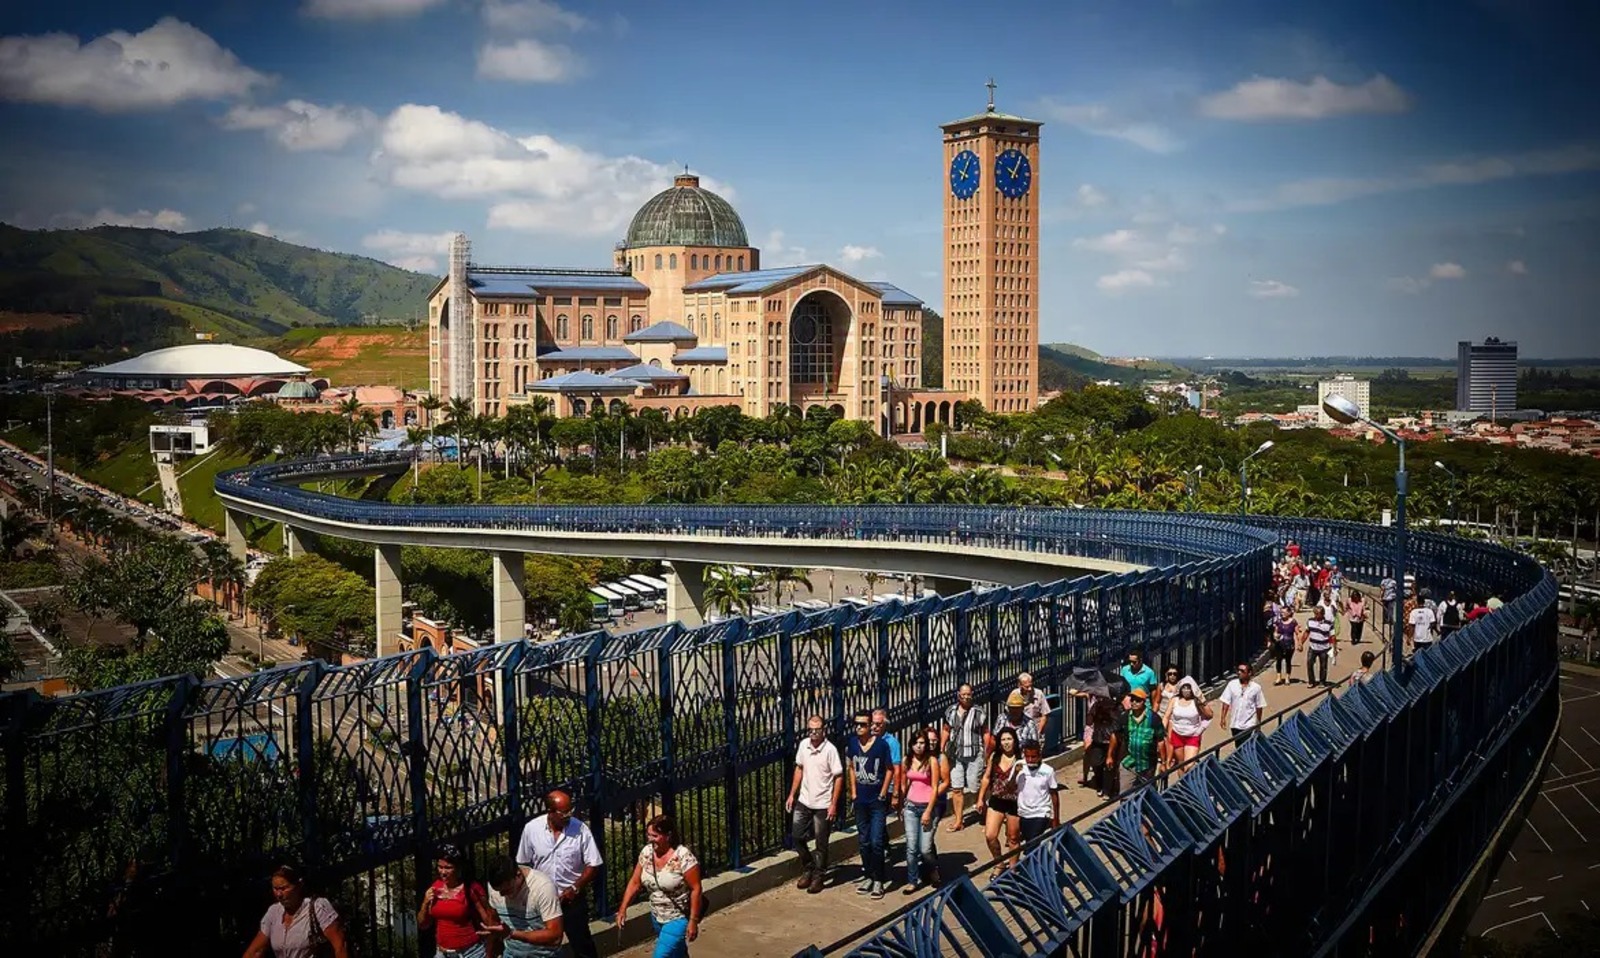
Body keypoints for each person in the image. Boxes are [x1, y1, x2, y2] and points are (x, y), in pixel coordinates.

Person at [516, 791, 604, 958]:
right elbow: (523, 863)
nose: (568, 816)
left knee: (582, 945)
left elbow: (593, 864)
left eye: (570, 810)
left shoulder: (580, 829)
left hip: (571, 899)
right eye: (563, 812)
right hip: (542, 901)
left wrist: (575, 888)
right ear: (550, 811)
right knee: (544, 947)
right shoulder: (532, 829)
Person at [615, 814, 703, 958]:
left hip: (677, 917)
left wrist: (693, 920)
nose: (650, 839)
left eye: (655, 836)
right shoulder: (647, 852)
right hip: (657, 916)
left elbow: (696, 889)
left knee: (661, 955)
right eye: (648, 835)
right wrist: (623, 909)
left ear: (667, 836)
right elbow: (635, 882)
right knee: (677, 954)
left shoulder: (683, 857)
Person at [785, 714, 842, 894]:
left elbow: (838, 776)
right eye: (811, 729)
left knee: (821, 842)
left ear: (823, 730)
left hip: (823, 802)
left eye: (817, 729)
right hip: (804, 799)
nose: (814, 733)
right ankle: (808, 866)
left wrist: (833, 803)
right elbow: (799, 768)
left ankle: (819, 875)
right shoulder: (804, 745)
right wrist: (792, 794)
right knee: (797, 836)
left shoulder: (830, 750)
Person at [243, 865, 349, 958]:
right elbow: (256, 951)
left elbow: (340, 946)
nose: (279, 894)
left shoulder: (318, 907)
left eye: (284, 888)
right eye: (275, 889)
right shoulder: (273, 912)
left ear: (298, 886)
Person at [846, 710, 896, 899]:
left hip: (877, 800)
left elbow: (890, 769)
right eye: (857, 724)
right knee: (863, 841)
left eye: (863, 724)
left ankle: (879, 879)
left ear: (870, 727)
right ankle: (868, 874)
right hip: (861, 800)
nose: (859, 728)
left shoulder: (881, 746)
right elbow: (851, 766)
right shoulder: (852, 744)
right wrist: (854, 791)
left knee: (876, 841)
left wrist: (884, 792)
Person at [418, 845, 496, 958]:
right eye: (440, 867)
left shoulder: (471, 889)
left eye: (448, 868)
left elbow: (489, 921)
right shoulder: (435, 888)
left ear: (459, 868)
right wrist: (425, 903)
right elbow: (423, 924)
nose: (443, 872)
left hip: (470, 952)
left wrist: (489, 953)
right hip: (442, 952)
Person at [482, 857, 565, 958]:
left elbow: (555, 937)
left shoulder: (542, 887)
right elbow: (494, 921)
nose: (502, 895)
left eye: (507, 890)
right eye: (498, 891)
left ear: (518, 875)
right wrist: (489, 954)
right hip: (511, 953)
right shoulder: (495, 887)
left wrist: (512, 934)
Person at [900, 727, 948, 893]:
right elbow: (904, 784)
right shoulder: (907, 760)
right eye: (916, 743)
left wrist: (928, 810)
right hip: (911, 807)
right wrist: (901, 804)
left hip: (927, 807)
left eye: (922, 743)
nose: (919, 746)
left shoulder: (932, 761)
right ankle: (912, 880)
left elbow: (935, 786)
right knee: (911, 847)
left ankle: (933, 869)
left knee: (925, 848)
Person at [940, 683, 992, 832]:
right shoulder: (951, 711)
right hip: (956, 755)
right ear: (958, 695)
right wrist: (941, 748)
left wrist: (986, 752)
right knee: (957, 788)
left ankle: (985, 813)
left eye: (969, 694)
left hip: (974, 754)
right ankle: (958, 821)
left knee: (975, 787)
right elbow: (945, 729)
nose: (966, 697)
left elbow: (986, 732)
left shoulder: (979, 712)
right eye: (963, 694)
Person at [976, 727, 1023, 878]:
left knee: (1013, 838)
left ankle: (1013, 868)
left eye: (1009, 739)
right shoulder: (995, 756)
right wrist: (980, 798)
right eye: (1003, 740)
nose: (1006, 743)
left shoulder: (1021, 758)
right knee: (990, 835)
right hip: (997, 800)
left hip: (1015, 802)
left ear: (1015, 740)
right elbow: (987, 777)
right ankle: (999, 863)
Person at [1012, 741, 1060, 846]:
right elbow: (1011, 788)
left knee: (1032, 844)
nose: (1030, 760)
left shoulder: (1048, 771)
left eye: (1033, 757)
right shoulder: (1019, 767)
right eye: (1027, 757)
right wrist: (1015, 773)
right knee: (1030, 843)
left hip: (1041, 813)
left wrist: (1055, 818)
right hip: (1023, 813)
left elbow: (1054, 794)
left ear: (1039, 755)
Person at [1119, 688, 1165, 794]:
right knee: (1125, 794)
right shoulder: (1125, 717)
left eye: (1138, 700)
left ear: (1144, 702)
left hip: (1147, 764)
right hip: (1129, 762)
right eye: (1132, 700)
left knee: (1147, 793)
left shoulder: (1154, 718)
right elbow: (1117, 737)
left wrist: (1163, 762)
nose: (1134, 703)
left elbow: (1161, 740)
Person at [1165, 677, 1211, 770]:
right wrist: (1162, 729)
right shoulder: (1174, 700)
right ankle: (1182, 783)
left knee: (1189, 765)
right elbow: (1166, 716)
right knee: (1181, 765)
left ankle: (1190, 782)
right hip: (1177, 734)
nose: (1186, 690)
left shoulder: (1196, 701)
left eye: (1188, 688)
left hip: (1193, 735)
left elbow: (1209, 715)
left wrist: (1202, 700)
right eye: (1184, 688)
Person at [1219, 662, 1267, 745]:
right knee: (1238, 746)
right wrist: (1223, 718)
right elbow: (1226, 702)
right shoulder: (1232, 685)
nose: (1239, 673)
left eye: (1242, 671)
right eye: (1238, 670)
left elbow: (1259, 706)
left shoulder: (1256, 688)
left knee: (1246, 746)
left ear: (1249, 673)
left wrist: (1258, 723)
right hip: (1235, 724)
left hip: (1248, 725)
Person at [1084, 695, 1119, 799]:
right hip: (1098, 739)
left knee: (1110, 765)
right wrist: (1091, 713)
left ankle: (1108, 789)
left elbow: (1118, 724)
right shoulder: (1096, 705)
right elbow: (1089, 722)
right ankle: (1099, 786)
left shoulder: (1117, 707)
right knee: (1096, 763)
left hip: (1111, 739)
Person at [1300, 605, 1337, 688]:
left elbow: (1333, 637)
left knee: (1323, 666)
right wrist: (1301, 643)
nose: (1316, 615)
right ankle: (1311, 681)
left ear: (1322, 614)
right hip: (1312, 647)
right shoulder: (1310, 621)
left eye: (1318, 614)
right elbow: (1306, 633)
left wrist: (1334, 648)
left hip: (1324, 648)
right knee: (1309, 663)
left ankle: (1322, 681)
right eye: (1315, 613)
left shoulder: (1329, 624)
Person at [1014, 673, 1050, 740]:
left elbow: (1045, 715)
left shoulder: (1039, 693)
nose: (1030, 689)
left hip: (1035, 729)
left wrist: (1038, 732)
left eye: (1031, 685)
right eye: (1026, 687)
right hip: (1019, 730)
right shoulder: (1014, 695)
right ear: (1019, 685)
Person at [1269, 603, 1297, 686]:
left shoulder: (1293, 622)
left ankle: (1287, 677)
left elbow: (1297, 632)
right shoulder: (1278, 621)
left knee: (1288, 661)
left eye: (1284, 612)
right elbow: (1275, 631)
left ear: (1289, 613)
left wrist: (1299, 643)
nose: (1282, 614)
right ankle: (1279, 677)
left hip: (1289, 643)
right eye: (1281, 613)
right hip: (1280, 643)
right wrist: (1275, 635)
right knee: (1279, 659)